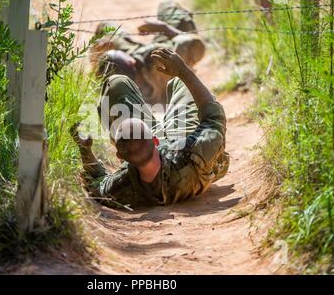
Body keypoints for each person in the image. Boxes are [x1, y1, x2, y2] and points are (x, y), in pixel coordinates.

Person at [71, 48, 229, 208]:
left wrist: (85, 149)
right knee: (183, 83)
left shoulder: (121, 187)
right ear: (155, 139)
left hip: (149, 157)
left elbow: (98, 182)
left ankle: (134, 143)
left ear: (120, 155)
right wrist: (183, 71)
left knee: (115, 84)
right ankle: (173, 90)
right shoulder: (194, 157)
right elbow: (214, 118)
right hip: (185, 147)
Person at [91, 1, 206, 105]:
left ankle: (100, 64)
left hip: (139, 64)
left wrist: (100, 58)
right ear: (131, 62)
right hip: (159, 51)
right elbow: (195, 44)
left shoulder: (120, 93)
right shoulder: (161, 66)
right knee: (168, 6)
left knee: (105, 27)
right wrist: (163, 28)